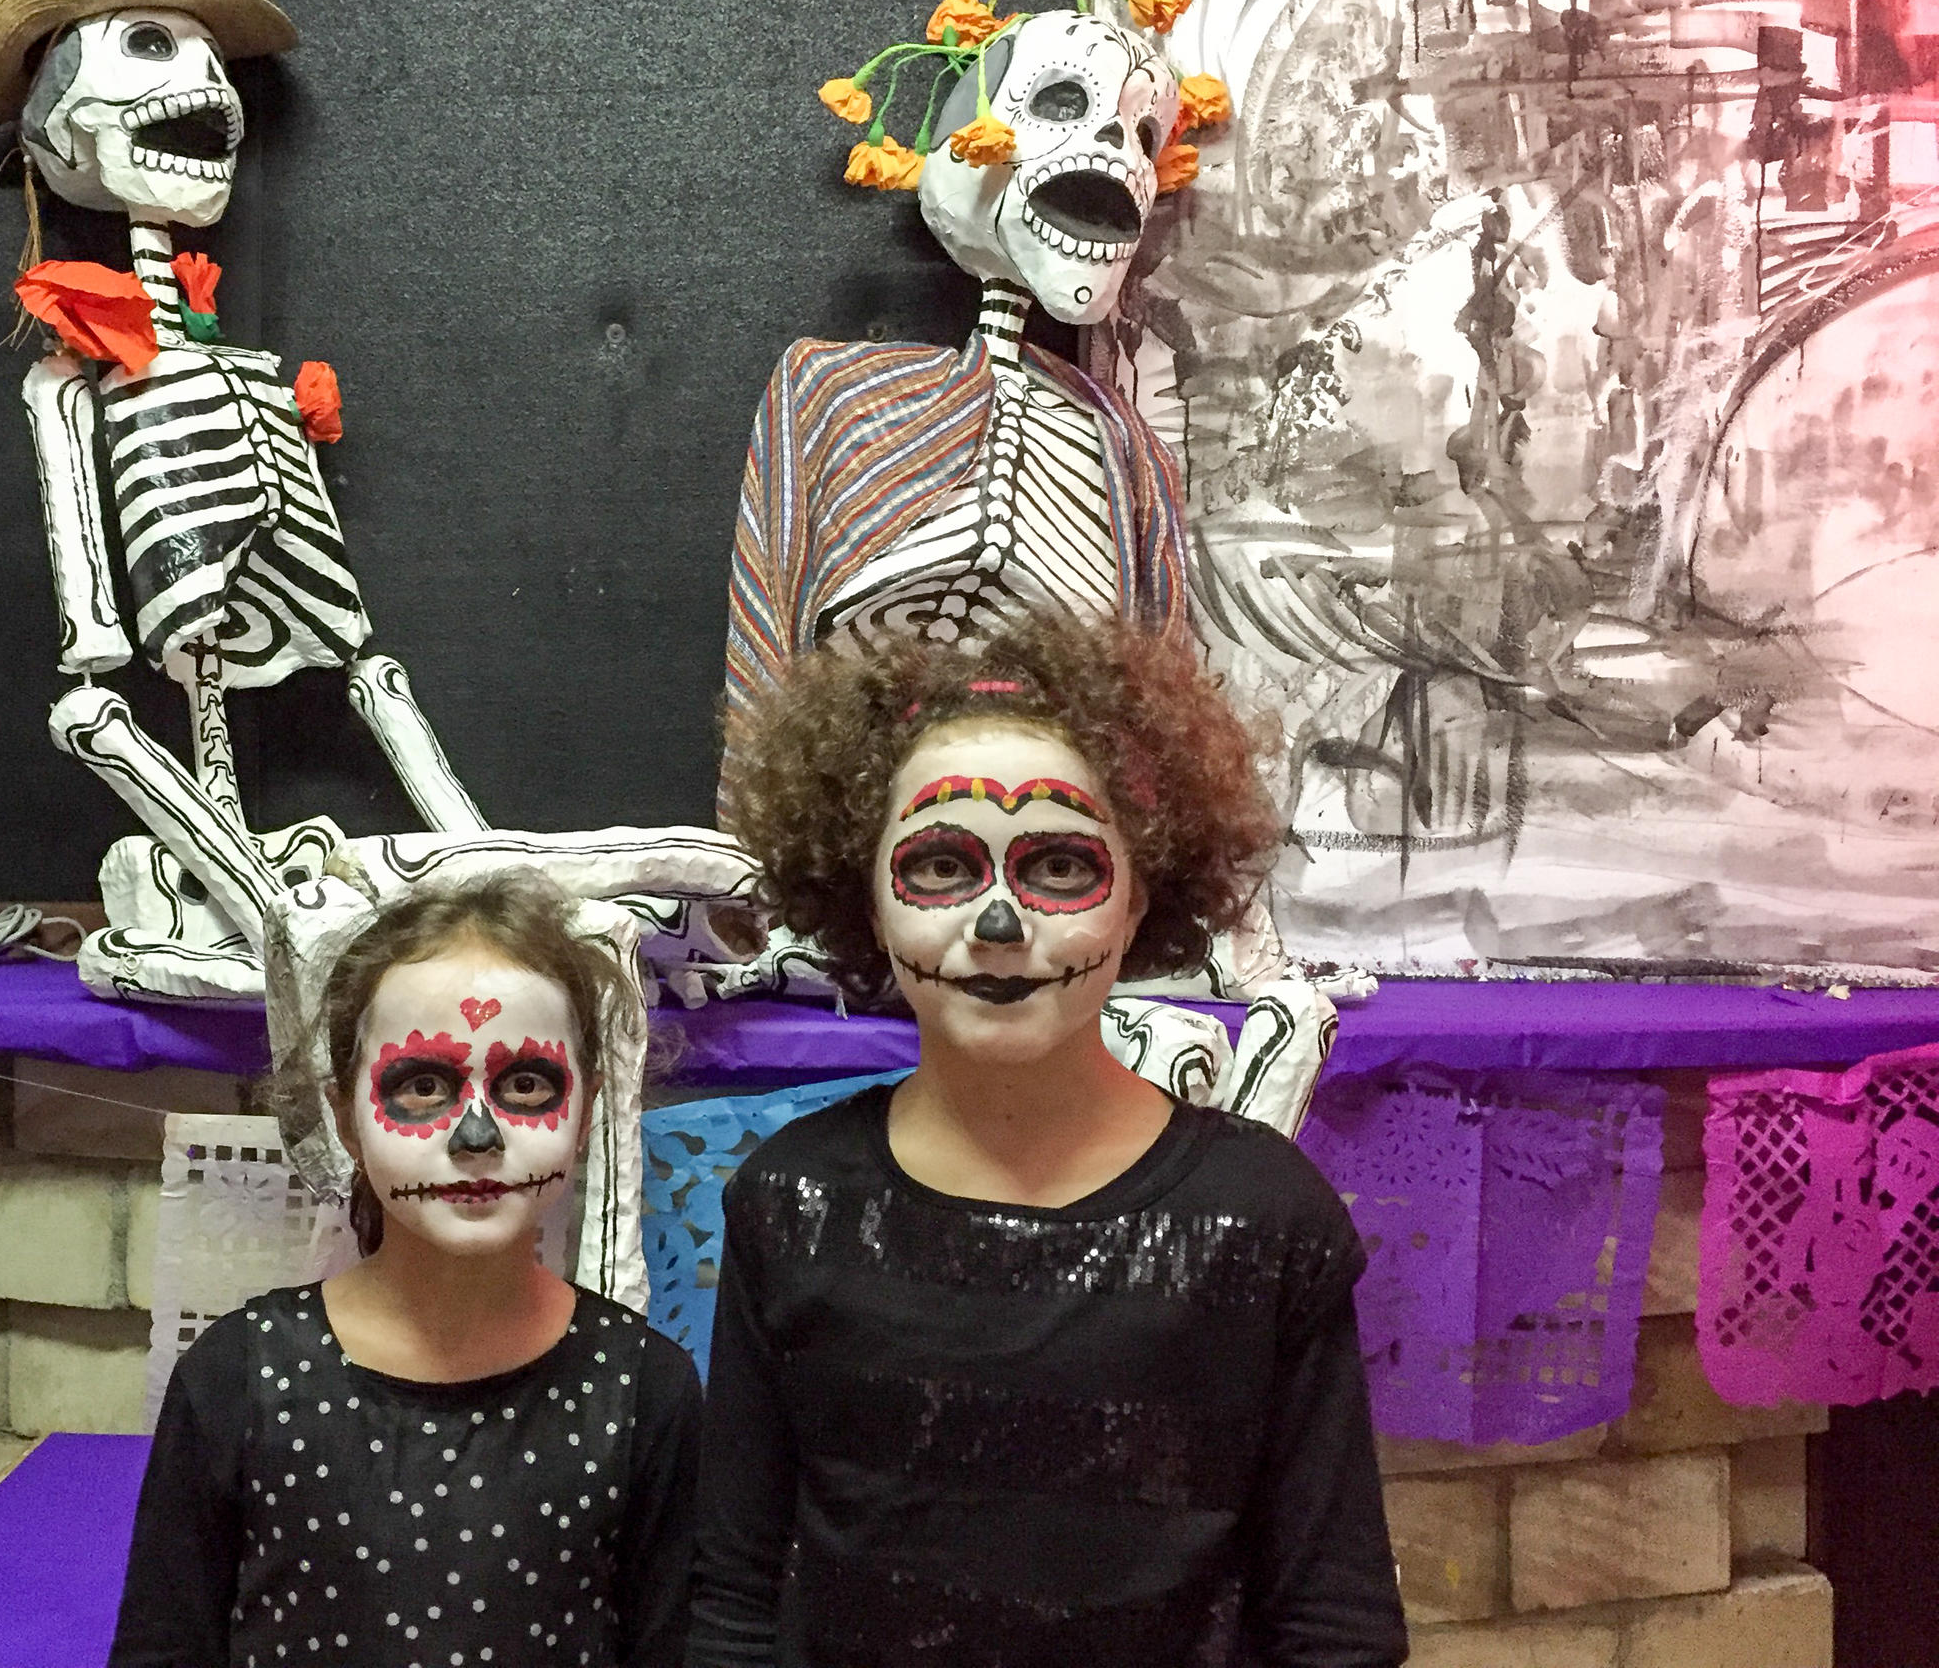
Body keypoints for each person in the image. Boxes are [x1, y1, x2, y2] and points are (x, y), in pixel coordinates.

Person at [694, 604, 1407, 1667]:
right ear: (865, 898)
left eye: (1060, 868)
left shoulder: (1262, 1219)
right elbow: (733, 1602)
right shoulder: (791, 1201)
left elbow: (1333, 1623)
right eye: (939, 866)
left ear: (1141, 898)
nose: (996, 925)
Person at [110, 874, 704, 1668]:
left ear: (587, 1109)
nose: (477, 1135)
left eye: (526, 1084)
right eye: (422, 1085)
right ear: (348, 1116)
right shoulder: (239, 1378)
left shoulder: (643, 1391)